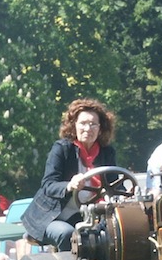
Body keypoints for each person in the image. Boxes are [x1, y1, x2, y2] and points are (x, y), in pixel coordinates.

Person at [21, 98, 118, 251]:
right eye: (83, 123)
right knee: (68, 235)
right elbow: (48, 185)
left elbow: (114, 186)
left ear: (100, 129)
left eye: (93, 124)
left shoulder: (107, 153)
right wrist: (69, 185)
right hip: (51, 217)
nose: (88, 128)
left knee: (116, 233)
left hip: (85, 217)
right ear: (74, 126)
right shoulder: (62, 149)